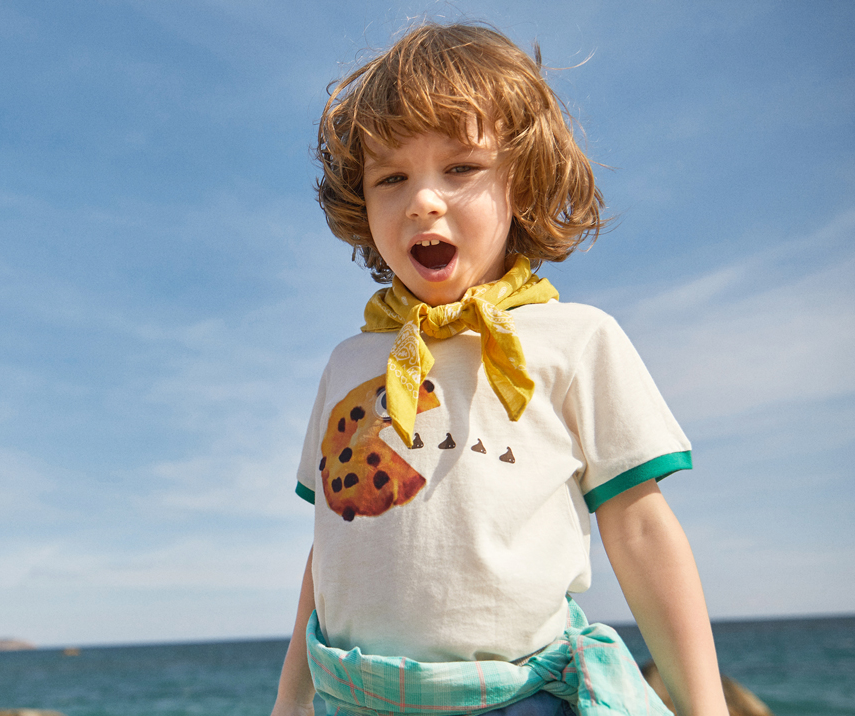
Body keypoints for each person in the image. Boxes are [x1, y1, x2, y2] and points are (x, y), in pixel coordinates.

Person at [272, 22, 729, 716]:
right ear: (363, 205)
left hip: (517, 696)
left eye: (460, 168)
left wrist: (707, 708)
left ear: (523, 181)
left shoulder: (577, 341)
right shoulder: (352, 362)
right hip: (354, 697)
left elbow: (639, 530)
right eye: (391, 177)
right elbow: (331, 546)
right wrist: (289, 704)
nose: (423, 198)